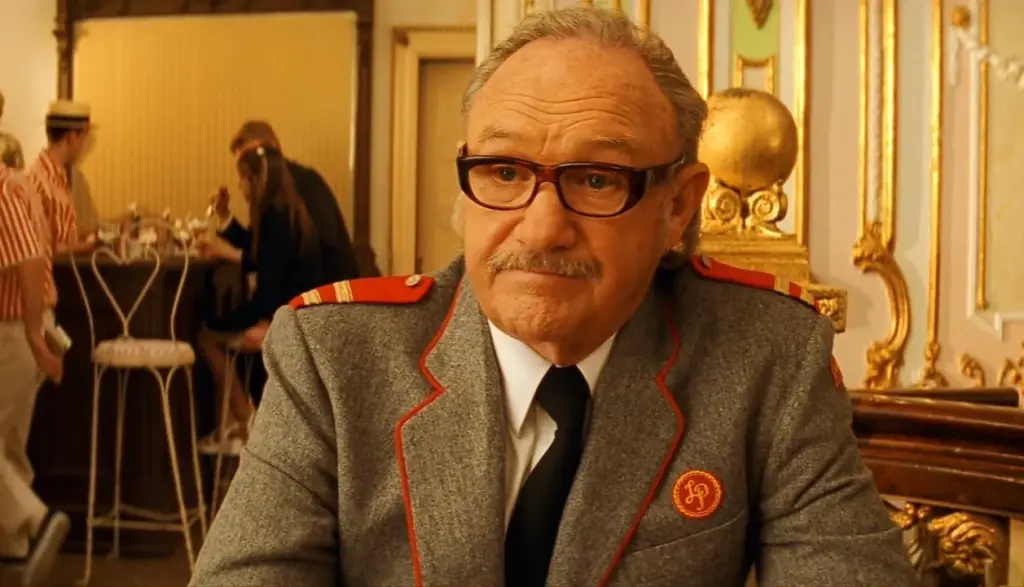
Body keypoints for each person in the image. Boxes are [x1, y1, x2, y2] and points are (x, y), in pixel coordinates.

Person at [190, 7, 917, 587]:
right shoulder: (336, 357)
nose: (541, 227)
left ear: (677, 207)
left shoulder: (767, 358)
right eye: (503, 171)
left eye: (597, 179)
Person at [195, 144, 324, 454]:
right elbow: (257, 253)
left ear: (253, 180)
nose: (239, 187)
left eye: (241, 179)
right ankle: (235, 423)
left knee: (206, 336)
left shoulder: (275, 216)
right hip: (295, 312)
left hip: (284, 315)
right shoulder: (286, 209)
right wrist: (225, 217)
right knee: (214, 328)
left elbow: (269, 279)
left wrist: (269, 323)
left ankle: (243, 417)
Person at [0, 161, 70, 587]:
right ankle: (15, 554)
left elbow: (27, 258)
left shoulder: (5, 190)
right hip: (21, 328)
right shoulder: (18, 183)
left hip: (12, 331)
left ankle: (34, 521)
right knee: (8, 448)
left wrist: (31, 333)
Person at [214, 120, 360, 283]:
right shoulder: (275, 190)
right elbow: (263, 246)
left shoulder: (300, 186)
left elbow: (275, 257)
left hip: (324, 295)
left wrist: (227, 253)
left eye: (252, 157)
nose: (247, 168)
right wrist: (224, 215)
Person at [26, 100, 95, 259]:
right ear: (72, 136)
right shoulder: (38, 181)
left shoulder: (59, 177)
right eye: (83, 137)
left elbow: (61, 235)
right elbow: (38, 246)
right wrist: (86, 247)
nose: (83, 145)